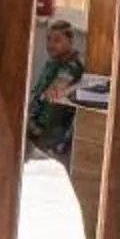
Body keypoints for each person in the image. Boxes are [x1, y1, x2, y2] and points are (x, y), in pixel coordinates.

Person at [27, 18, 87, 159]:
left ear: (70, 41)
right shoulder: (53, 63)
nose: (50, 44)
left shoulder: (72, 67)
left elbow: (53, 93)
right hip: (36, 129)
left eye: (57, 40)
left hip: (52, 135)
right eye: (49, 39)